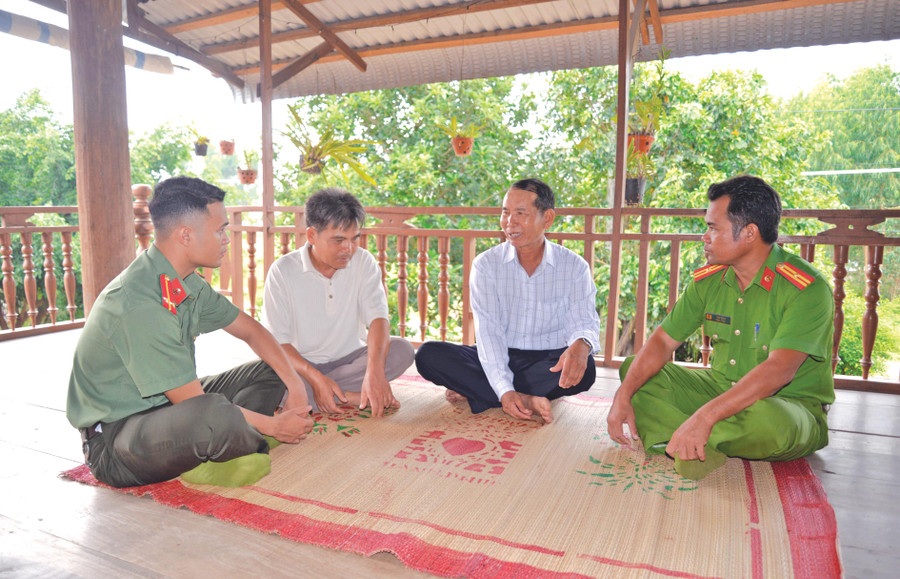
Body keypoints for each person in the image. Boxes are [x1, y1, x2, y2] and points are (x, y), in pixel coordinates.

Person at [67, 176, 314, 489]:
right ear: (185, 235)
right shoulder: (139, 303)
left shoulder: (185, 282)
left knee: (271, 369)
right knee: (211, 414)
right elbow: (193, 400)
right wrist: (275, 426)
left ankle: (236, 441)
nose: (227, 239)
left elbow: (252, 331)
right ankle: (230, 449)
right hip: (116, 441)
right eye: (220, 230)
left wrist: (295, 385)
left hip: (167, 410)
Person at [607, 175, 834, 480]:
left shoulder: (806, 288)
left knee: (770, 423)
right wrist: (622, 395)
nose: (704, 236)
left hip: (787, 404)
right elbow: (662, 342)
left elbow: (779, 371)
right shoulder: (710, 280)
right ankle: (699, 442)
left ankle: (683, 438)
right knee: (636, 372)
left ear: (750, 233)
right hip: (719, 389)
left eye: (713, 228)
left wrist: (705, 416)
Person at [415, 178, 601, 423]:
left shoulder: (574, 267)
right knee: (428, 355)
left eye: (521, 213)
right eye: (505, 212)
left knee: (585, 369)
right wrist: (505, 389)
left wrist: (581, 344)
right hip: (499, 352)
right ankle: (522, 398)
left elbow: (584, 320)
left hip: (547, 361)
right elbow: (489, 333)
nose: (509, 221)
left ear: (547, 218)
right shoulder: (486, 265)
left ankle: (479, 390)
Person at [261, 188, 415, 417]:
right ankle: (346, 395)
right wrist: (315, 377)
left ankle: (313, 396)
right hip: (301, 366)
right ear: (312, 236)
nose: (348, 249)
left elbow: (378, 319)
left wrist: (374, 373)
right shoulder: (283, 271)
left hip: (350, 360)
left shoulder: (364, 262)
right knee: (266, 377)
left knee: (402, 350)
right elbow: (277, 343)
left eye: (354, 239)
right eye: (339, 240)